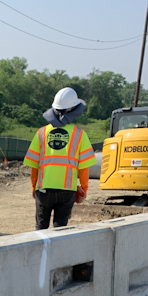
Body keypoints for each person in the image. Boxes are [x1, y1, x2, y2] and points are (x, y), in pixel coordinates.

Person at [23, 87, 97, 230]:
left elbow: (34, 165)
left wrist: (33, 187)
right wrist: (83, 189)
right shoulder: (79, 134)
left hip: (43, 189)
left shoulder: (41, 133)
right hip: (67, 191)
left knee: (40, 229)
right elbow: (84, 168)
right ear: (74, 110)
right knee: (60, 230)